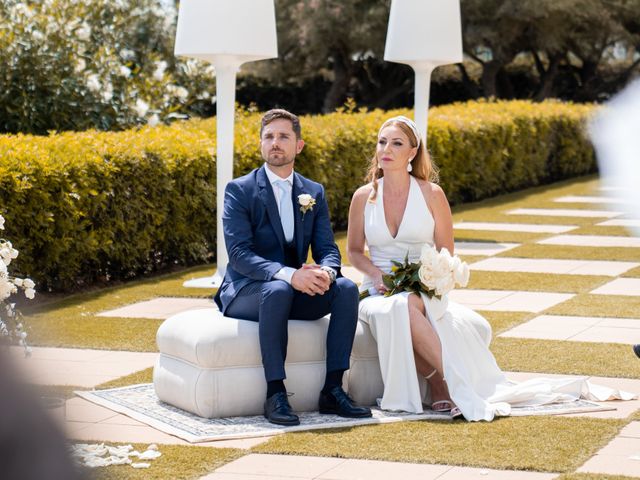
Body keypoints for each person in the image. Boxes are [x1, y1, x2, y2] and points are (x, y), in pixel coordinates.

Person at [346, 115, 635, 421]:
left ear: (413, 152)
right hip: (376, 289)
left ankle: (446, 385)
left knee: (405, 304)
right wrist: (377, 275)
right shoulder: (363, 197)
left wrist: (426, 278)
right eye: (382, 142)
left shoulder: (432, 194)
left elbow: (446, 252)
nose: (386, 148)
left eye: (396, 143)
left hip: (424, 283)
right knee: (395, 307)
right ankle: (449, 385)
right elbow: (353, 250)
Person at [214, 109, 371, 426]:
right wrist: (290, 275)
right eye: (269, 137)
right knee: (277, 288)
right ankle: (275, 393)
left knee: (345, 288)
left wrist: (326, 272)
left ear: (299, 145)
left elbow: (327, 248)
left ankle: (332, 389)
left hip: (291, 290)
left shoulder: (313, 192)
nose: (275, 143)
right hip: (247, 290)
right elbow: (239, 253)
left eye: (283, 136)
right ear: (261, 144)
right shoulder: (239, 190)